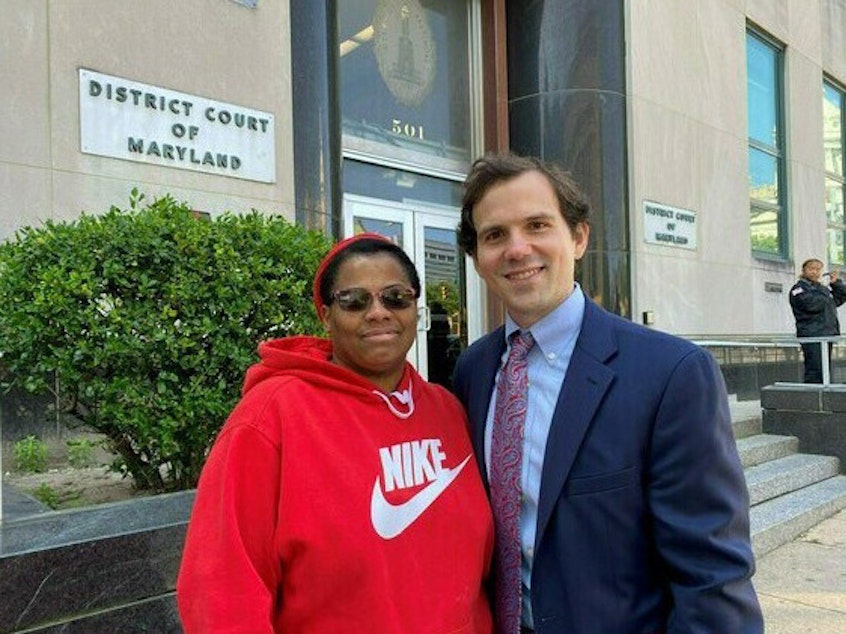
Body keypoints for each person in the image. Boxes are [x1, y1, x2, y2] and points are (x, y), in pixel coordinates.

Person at [452, 153, 763, 633]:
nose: (517, 249)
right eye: (495, 235)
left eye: (537, 225)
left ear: (578, 237)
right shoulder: (472, 371)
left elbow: (713, 577)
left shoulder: (671, 374)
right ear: (477, 259)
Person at [177, 233, 494, 633]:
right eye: (354, 301)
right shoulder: (269, 417)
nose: (378, 312)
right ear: (326, 315)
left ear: (417, 309)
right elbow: (221, 593)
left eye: (396, 298)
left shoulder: (447, 410)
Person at [789, 258, 846, 383]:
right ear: (804, 270)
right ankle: (812, 398)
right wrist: (826, 294)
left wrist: (836, 283)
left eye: (818, 269)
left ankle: (824, 396)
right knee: (815, 370)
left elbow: (840, 297)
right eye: (811, 269)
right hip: (812, 334)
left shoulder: (821, 290)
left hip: (827, 334)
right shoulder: (798, 289)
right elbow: (811, 305)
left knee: (825, 370)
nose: (814, 272)